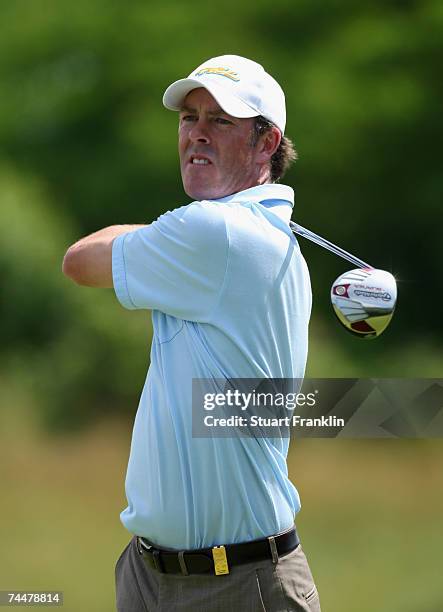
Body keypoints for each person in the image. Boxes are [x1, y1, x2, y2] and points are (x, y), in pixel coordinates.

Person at [62, 54, 321, 611]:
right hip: (149, 574)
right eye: (189, 118)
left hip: (238, 584)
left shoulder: (216, 233)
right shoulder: (228, 232)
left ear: (266, 142)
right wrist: (163, 235)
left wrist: (160, 234)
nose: (196, 134)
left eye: (220, 121)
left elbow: (79, 261)